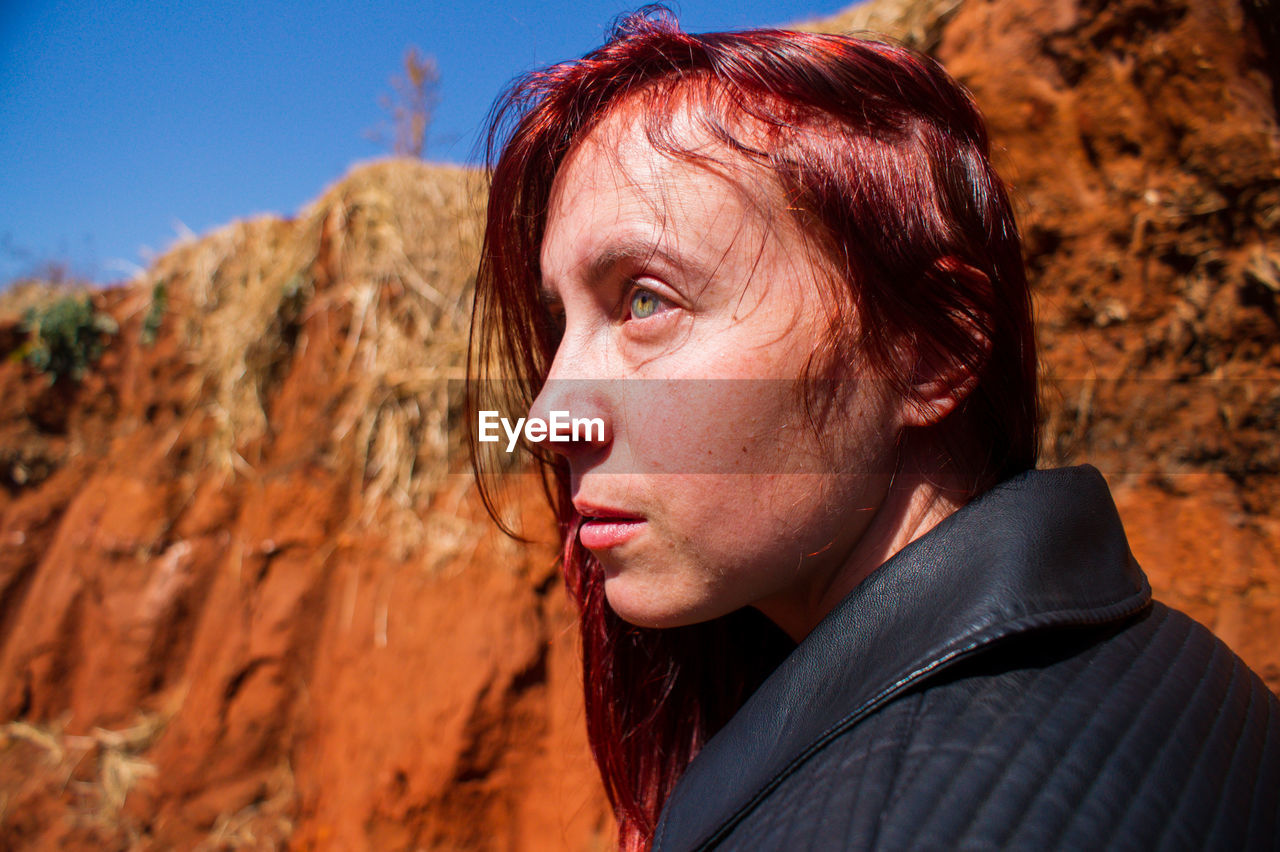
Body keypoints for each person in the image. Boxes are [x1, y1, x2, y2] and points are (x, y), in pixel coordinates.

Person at [467, 10, 1280, 851]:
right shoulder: (1175, 670)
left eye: (645, 300)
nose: (545, 419)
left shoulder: (887, 820)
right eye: (559, 321)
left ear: (930, 353)